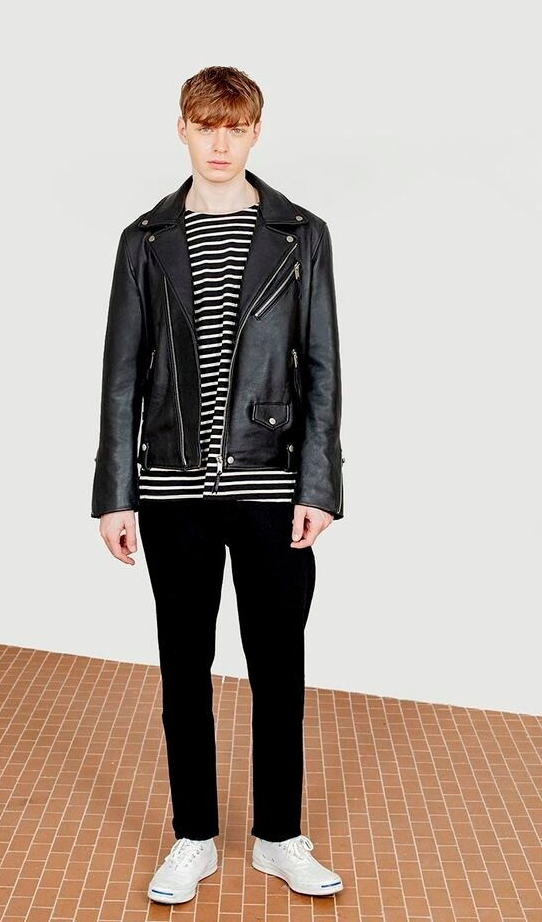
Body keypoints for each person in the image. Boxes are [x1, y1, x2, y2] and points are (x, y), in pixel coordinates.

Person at [91, 65, 345, 904]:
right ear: (183, 130)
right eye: (207, 126)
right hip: (171, 492)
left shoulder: (301, 234)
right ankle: (193, 836)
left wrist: (319, 485)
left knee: (279, 668)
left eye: (235, 128)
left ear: (255, 133)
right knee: (183, 669)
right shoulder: (145, 239)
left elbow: (322, 367)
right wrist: (115, 492)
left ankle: (279, 836)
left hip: (272, 486)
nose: (221, 143)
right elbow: (121, 374)